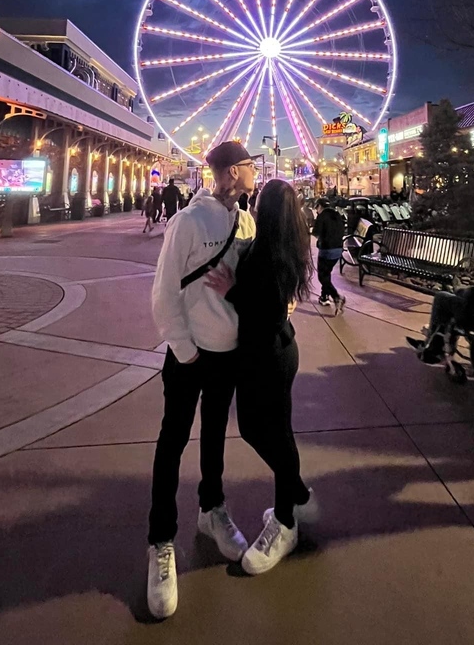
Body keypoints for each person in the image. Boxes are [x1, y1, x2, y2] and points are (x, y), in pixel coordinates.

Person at [146, 142, 257, 620]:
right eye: (251, 167)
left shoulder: (247, 223)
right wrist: (184, 350)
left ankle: (212, 509)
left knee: (214, 434)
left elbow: (252, 282)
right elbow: (164, 292)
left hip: (227, 354)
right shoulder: (187, 222)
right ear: (233, 172)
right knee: (172, 441)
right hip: (189, 356)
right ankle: (160, 542)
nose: (255, 173)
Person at [207, 179, 316, 575]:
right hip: (276, 353)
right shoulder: (286, 246)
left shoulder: (268, 252)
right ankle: (296, 494)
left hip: (268, 356)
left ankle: (286, 521)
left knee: (264, 430)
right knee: (270, 430)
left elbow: (267, 313)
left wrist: (232, 291)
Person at [312, 197, 346, 314]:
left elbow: (316, 233)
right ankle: (324, 297)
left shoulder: (322, 216)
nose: (316, 210)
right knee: (327, 274)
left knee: (322, 276)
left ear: (320, 206)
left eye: (317, 207)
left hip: (327, 250)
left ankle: (336, 297)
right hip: (338, 250)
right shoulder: (337, 215)